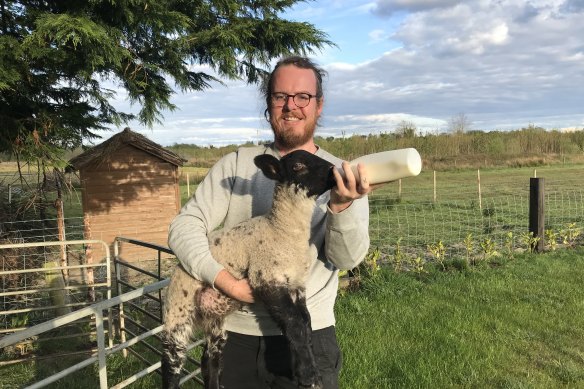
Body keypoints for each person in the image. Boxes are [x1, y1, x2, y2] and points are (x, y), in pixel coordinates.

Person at [168, 56, 372, 388]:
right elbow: (184, 226)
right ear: (269, 105)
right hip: (236, 334)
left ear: (319, 105)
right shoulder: (236, 164)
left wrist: (341, 207)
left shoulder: (342, 174)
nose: (292, 106)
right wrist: (222, 280)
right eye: (281, 96)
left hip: (309, 335)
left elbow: (346, 260)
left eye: (303, 97)